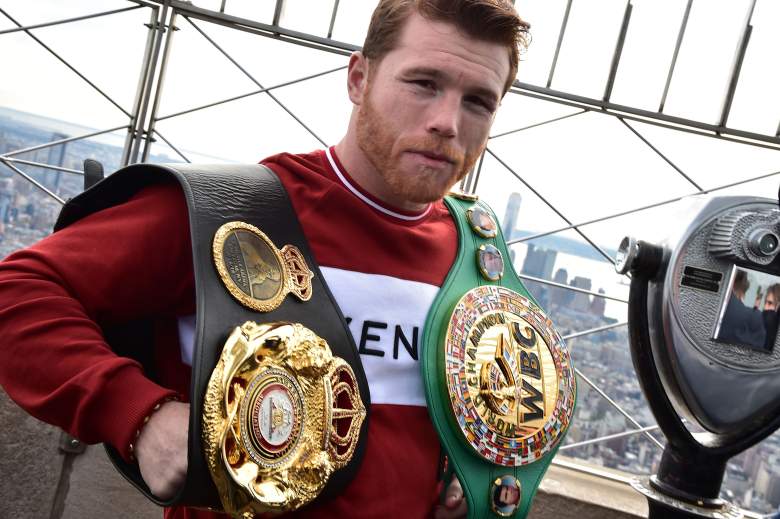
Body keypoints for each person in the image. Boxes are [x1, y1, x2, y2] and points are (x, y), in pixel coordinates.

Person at [0, 1, 529, 518]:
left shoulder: (477, 261)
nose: (447, 122)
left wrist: (466, 472)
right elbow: (16, 291)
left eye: (478, 101)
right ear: (359, 79)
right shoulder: (231, 214)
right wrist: (139, 414)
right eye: (423, 83)